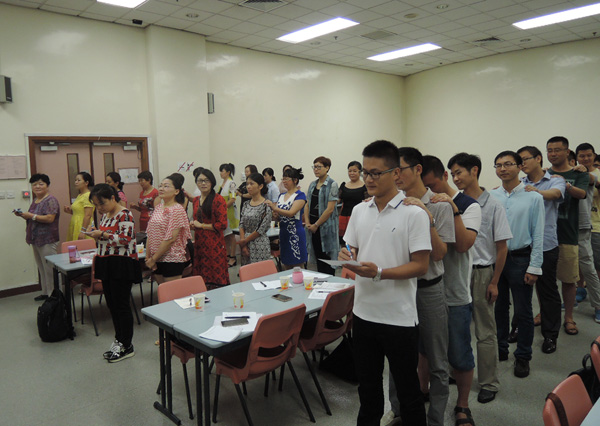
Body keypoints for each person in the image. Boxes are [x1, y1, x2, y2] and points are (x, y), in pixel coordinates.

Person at [339, 140, 429, 426]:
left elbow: (421, 265)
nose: (368, 179)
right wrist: (346, 255)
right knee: (368, 392)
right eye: (366, 172)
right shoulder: (360, 210)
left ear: (395, 173)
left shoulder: (413, 213)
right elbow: (350, 247)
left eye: (376, 173)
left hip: (398, 318)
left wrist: (379, 272)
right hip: (364, 314)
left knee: (408, 393)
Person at [390, 147, 453, 426]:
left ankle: (436, 419)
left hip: (429, 291)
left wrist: (425, 215)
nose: (395, 176)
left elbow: (439, 254)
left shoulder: (439, 204)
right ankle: (399, 412)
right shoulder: (394, 205)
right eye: (391, 171)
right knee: (398, 358)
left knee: (438, 361)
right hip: (400, 289)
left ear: (417, 169)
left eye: (399, 170)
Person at [421, 155, 481, 426]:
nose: (429, 191)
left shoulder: (469, 205)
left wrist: (452, 209)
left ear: (444, 176)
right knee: (424, 349)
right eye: (425, 187)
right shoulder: (420, 202)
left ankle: (463, 405)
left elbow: (464, 244)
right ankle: (422, 391)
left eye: (432, 185)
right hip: (426, 288)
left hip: (454, 292)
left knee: (459, 353)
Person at [448, 153, 512, 404]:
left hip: (482, 272)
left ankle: (488, 382)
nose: (455, 178)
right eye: (452, 174)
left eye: (459, 172)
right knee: (456, 326)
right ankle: (456, 370)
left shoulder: (493, 205)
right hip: (457, 271)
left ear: (474, 171)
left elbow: (502, 247)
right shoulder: (454, 202)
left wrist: (494, 281)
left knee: (485, 330)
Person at [490, 151, 544, 379]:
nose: (502, 169)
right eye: (498, 165)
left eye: (508, 164)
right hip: (496, 259)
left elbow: (538, 234)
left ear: (519, 167)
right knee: (499, 308)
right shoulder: (491, 196)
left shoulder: (533, 197)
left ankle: (523, 356)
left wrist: (534, 266)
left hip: (521, 259)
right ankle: (501, 349)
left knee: (523, 311)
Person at [517, 145, 565, 354]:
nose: (522, 164)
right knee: (520, 291)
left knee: (548, 291)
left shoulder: (554, 180)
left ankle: (550, 335)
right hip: (523, 245)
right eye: (519, 161)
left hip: (546, 245)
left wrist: (537, 193)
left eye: (525, 159)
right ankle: (517, 327)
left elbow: (556, 194)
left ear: (538, 158)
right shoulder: (520, 183)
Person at [87, 184, 140, 363]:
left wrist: (102, 235)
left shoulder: (125, 214)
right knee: (112, 304)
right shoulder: (106, 215)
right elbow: (106, 237)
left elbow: (125, 239)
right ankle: (119, 340)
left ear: (112, 198)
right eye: (96, 205)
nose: (99, 208)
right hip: (106, 261)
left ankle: (127, 345)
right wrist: (96, 235)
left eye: (102, 203)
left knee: (121, 305)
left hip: (121, 262)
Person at [546, 136, 588, 335]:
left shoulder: (578, 173)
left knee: (568, 280)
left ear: (567, 152)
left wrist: (566, 184)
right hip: (545, 235)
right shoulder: (544, 174)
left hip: (567, 234)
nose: (553, 154)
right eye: (549, 150)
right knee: (543, 280)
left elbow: (582, 194)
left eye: (557, 150)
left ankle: (569, 317)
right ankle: (544, 313)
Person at [14, 173, 60, 301]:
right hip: (35, 239)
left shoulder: (51, 200)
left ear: (47, 185)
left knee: (50, 269)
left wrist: (31, 216)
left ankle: (55, 296)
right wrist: (23, 215)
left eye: (41, 184)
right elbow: (33, 217)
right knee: (42, 268)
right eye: (34, 184)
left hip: (47, 239)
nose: (37, 186)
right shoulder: (35, 200)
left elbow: (50, 218)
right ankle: (45, 292)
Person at [145, 174, 192, 283]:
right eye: (160, 186)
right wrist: (148, 256)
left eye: (166, 186)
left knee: (172, 292)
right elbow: (150, 233)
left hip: (171, 258)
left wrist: (153, 259)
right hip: (156, 258)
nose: (161, 189)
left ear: (176, 191)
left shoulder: (177, 209)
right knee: (162, 290)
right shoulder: (158, 208)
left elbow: (170, 239)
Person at [191, 169, 230, 289]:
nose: (203, 183)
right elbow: (197, 220)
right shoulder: (196, 200)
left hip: (214, 243)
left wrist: (201, 225)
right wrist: (193, 225)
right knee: (201, 277)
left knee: (216, 276)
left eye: (206, 180)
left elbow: (222, 224)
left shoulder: (218, 199)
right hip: (200, 243)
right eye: (200, 181)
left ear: (212, 182)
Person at [575, 143, 600, 323]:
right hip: (575, 225)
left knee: (593, 266)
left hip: (594, 225)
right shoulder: (575, 172)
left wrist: (588, 175)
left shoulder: (595, 174)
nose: (585, 159)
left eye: (589, 155)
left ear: (594, 156)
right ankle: (580, 290)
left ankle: (597, 302)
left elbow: (594, 181)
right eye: (582, 156)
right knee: (577, 264)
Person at [265, 167, 307, 270]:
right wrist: (275, 216)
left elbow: (291, 213)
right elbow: (281, 216)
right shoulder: (281, 195)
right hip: (284, 233)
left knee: (297, 265)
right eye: (283, 179)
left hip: (295, 233)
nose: (284, 181)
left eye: (286, 179)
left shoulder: (300, 195)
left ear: (295, 180)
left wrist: (275, 208)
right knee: (286, 264)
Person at [305, 156, 340, 275]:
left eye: (319, 167)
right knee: (318, 257)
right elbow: (307, 205)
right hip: (313, 226)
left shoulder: (332, 184)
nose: (316, 169)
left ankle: (331, 283)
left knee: (328, 259)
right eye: (314, 167)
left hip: (326, 227)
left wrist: (316, 225)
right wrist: (308, 223)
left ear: (327, 168)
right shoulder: (312, 184)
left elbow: (330, 209)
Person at [238, 173, 272, 266]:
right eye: (247, 184)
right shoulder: (246, 204)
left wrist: (244, 241)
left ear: (260, 186)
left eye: (251, 184)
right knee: (247, 271)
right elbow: (241, 224)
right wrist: (243, 244)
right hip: (245, 244)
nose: (248, 186)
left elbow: (261, 229)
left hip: (259, 244)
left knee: (260, 271)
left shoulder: (266, 205)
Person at [338, 161, 367, 244]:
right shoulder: (343, 185)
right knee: (343, 242)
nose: (352, 173)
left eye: (354, 171)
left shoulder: (365, 187)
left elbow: (367, 203)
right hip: (343, 217)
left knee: (356, 242)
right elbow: (338, 200)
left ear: (360, 172)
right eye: (350, 171)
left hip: (358, 217)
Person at [64, 171, 95, 241]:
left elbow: (88, 215)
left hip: (83, 225)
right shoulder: (80, 195)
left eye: (79, 180)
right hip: (75, 223)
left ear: (86, 183)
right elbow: (80, 212)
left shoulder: (88, 195)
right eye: (75, 180)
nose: (76, 182)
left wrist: (83, 231)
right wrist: (70, 211)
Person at [218, 163, 239, 267]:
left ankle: (233, 257)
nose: (221, 173)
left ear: (228, 172)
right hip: (222, 213)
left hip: (229, 213)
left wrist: (223, 208)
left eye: (222, 171)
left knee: (231, 235)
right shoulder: (222, 183)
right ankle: (226, 255)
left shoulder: (232, 183)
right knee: (225, 235)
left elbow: (233, 198)